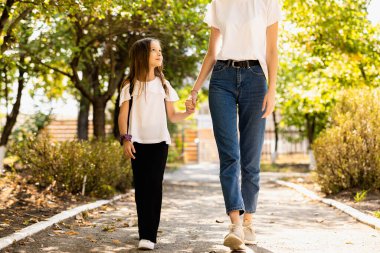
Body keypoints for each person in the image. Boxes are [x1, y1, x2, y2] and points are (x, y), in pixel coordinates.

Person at [186, 0, 281, 250]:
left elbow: (272, 50)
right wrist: (195, 89)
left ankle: (249, 222)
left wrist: (272, 91)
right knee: (230, 155)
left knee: (250, 158)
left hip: (256, 79)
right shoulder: (218, 2)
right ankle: (235, 224)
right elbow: (212, 51)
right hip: (221, 79)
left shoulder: (269, 2)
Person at [118, 38, 194, 250]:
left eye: (160, 50)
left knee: (154, 187)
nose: (159, 54)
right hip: (137, 143)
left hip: (160, 143)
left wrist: (187, 112)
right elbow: (123, 116)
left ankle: (150, 236)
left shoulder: (164, 85)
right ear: (142, 55)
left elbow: (173, 116)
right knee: (141, 188)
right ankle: (144, 233)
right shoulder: (129, 84)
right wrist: (126, 139)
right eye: (153, 50)